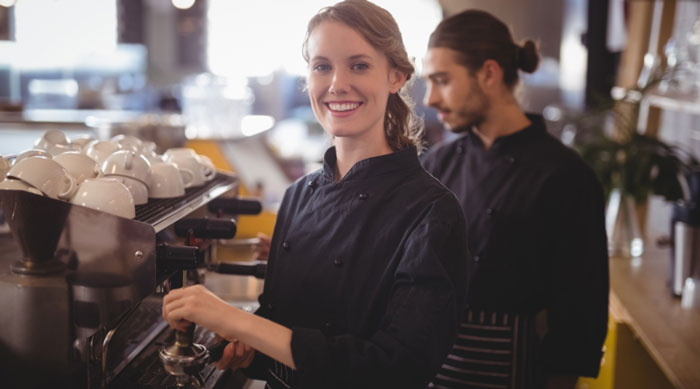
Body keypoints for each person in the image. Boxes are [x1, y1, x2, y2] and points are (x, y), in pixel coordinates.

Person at [162, 1, 468, 388]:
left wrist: (237, 319)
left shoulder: (432, 213)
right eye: (322, 66)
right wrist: (250, 349)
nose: (337, 83)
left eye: (359, 65)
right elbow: (284, 333)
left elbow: (396, 369)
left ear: (396, 76)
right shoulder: (298, 196)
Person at [420, 10, 609, 389]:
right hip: (432, 367)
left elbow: (579, 313)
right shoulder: (435, 164)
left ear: (489, 74)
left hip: (516, 372)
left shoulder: (564, 175)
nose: (431, 98)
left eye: (442, 80)